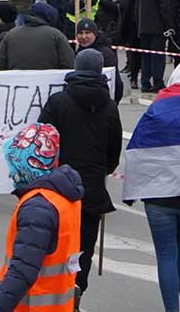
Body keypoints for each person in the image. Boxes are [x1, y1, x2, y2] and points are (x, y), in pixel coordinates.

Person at [37, 49, 121, 305]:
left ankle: (53, 294)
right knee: (84, 245)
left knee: (53, 244)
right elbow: (114, 151)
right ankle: (77, 289)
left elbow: (42, 141)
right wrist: (102, 169)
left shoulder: (58, 102)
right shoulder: (109, 107)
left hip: (58, 187)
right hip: (91, 190)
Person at [0, 123, 83, 312]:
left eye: (14, 164)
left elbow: (21, 271)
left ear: (29, 163)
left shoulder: (37, 206)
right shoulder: (63, 196)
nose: (11, 173)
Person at [124, 60, 180, 312]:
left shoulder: (159, 105)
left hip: (158, 195)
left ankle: (171, 310)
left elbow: (138, 145)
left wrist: (131, 189)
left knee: (167, 254)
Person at [0, 3, 74, 71]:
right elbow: (69, 63)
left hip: (17, 86)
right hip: (47, 86)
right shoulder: (56, 35)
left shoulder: (10, 35)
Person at [137, 0, 175, 92]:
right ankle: (158, 83)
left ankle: (145, 83)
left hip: (143, 28)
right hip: (157, 28)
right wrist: (169, 26)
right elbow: (165, 9)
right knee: (157, 57)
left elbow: (137, 9)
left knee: (146, 57)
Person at [74, 18, 123, 103]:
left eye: (87, 33)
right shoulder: (79, 52)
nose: (84, 36)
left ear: (95, 34)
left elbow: (115, 82)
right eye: (80, 33)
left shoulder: (106, 53)